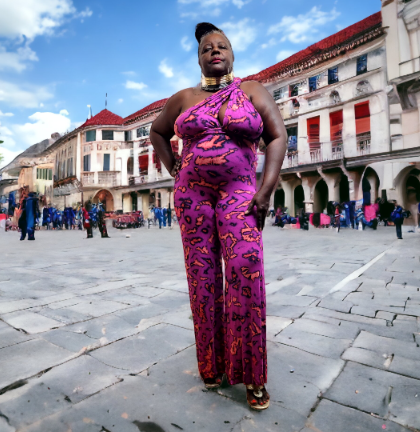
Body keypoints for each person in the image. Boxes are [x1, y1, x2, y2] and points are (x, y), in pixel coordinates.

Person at [149, 22, 287, 410]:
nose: (214, 50)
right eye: (207, 47)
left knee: (245, 269)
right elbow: (158, 132)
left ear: (232, 53)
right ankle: (212, 363)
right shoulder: (184, 98)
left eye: (221, 45)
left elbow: (277, 137)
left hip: (240, 193)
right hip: (192, 197)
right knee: (203, 277)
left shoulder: (252, 90)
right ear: (198, 57)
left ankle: (252, 375)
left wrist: (266, 189)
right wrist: (174, 166)